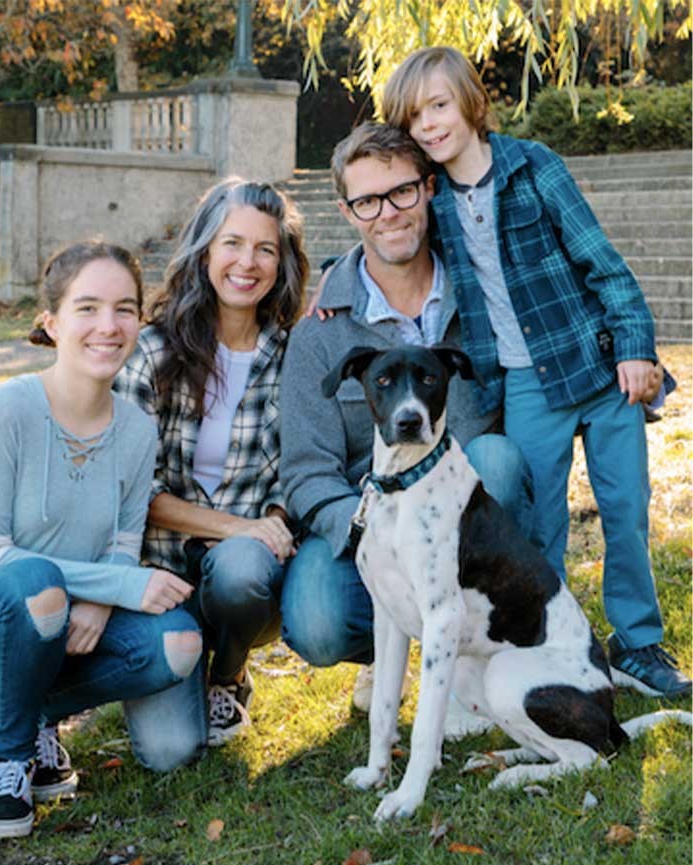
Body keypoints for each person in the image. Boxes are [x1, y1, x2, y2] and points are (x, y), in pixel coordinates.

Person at [381, 45, 690, 698]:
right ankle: (554, 643)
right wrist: (333, 281)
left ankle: (637, 642)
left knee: (626, 509)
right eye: (414, 118)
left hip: (599, 365)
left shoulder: (534, 168)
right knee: (538, 525)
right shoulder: (430, 202)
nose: (430, 124)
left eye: (439, 105)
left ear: (469, 101)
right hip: (525, 385)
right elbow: (384, 241)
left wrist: (635, 347)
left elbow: (602, 261)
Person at [0, 241, 201, 839]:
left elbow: (124, 537)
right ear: (51, 323)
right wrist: (121, 585)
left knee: (178, 643)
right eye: (88, 307)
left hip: (58, 622)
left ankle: (42, 719)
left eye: (125, 308)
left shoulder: (135, 429)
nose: (109, 326)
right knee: (34, 582)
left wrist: (106, 599)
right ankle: (8, 764)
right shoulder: (5, 410)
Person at [279, 122, 533, 714]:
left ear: (429, 190)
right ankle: (384, 654)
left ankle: (474, 650)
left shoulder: (479, 296)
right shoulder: (321, 331)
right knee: (316, 616)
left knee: (496, 456)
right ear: (347, 210)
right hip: (369, 524)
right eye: (368, 200)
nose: (387, 213)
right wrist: (375, 531)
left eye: (402, 192)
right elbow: (305, 471)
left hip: (464, 517)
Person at [115, 178, 308, 747]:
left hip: (245, 575)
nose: (247, 263)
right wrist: (240, 527)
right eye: (232, 243)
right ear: (204, 249)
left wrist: (268, 521)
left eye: (265, 249)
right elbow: (131, 493)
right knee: (170, 750)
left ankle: (228, 672)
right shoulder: (153, 350)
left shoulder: (292, 354)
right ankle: (173, 659)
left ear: (282, 263)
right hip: (160, 577)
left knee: (244, 568)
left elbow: (299, 467)